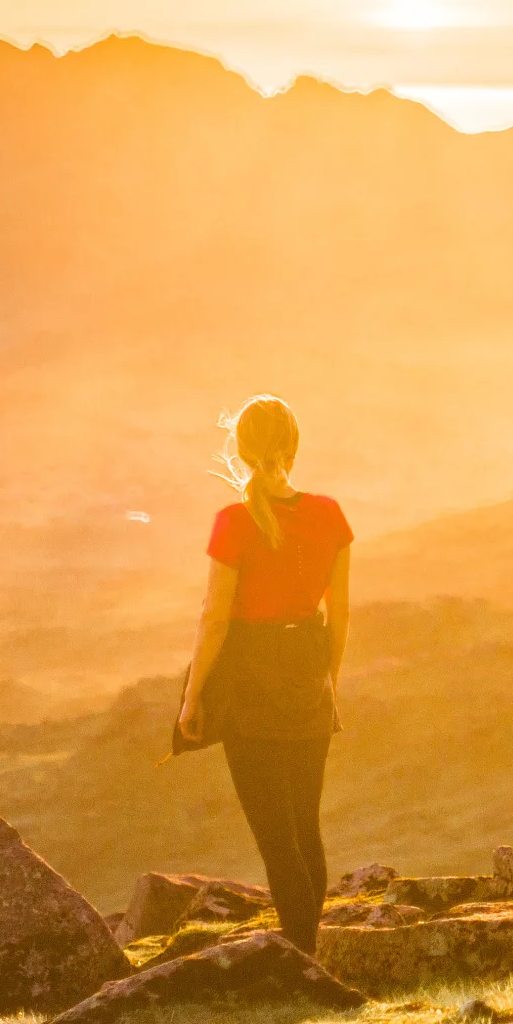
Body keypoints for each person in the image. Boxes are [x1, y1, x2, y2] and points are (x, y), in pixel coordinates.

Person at [178, 394, 351, 952]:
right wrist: (330, 683)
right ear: (293, 446)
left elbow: (215, 617)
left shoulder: (234, 522)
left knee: (277, 839)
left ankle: (300, 962)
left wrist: (192, 697)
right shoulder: (329, 515)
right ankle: (309, 953)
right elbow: (339, 614)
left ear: (242, 451)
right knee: (306, 829)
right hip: (308, 670)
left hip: (249, 681)